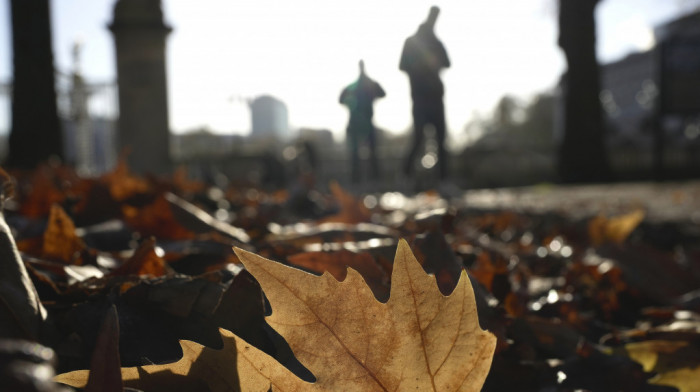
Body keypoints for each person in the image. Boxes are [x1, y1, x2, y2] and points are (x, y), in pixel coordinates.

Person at [400, 6, 450, 180]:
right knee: (418, 138)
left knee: (441, 140)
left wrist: (434, 61)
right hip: (420, 98)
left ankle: (443, 180)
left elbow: (447, 63)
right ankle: (406, 177)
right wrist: (419, 66)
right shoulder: (411, 42)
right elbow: (402, 66)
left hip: (436, 97)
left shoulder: (436, 42)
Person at [339, 60, 386, 184]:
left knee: (371, 153)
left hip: (363, 124)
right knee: (357, 154)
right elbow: (341, 99)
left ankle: (372, 179)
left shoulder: (367, 85)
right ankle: (360, 180)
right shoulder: (355, 86)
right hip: (357, 124)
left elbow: (382, 93)